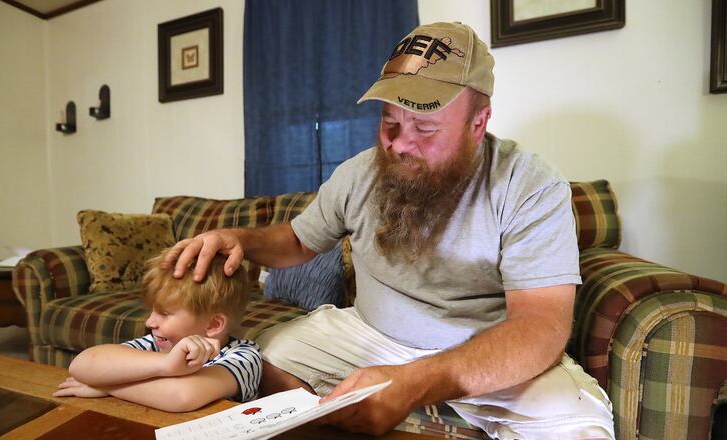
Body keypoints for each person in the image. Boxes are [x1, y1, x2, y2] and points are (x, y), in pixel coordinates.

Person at [165, 21, 614, 439]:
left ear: (478, 124)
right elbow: (300, 241)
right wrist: (242, 240)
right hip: (367, 333)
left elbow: (540, 324)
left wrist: (417, 381)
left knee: (580, 428)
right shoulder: (359, 173)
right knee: (252, 361)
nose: (399, 144)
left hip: (479, 350)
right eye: (390, 122)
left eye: (424, 126)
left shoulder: (529, 185)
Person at [53, 250, 261, 412]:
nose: (150, 321)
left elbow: (181, 396)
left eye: (164, 313)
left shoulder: (244, 357)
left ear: (213, 325)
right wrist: (166, 364)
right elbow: (82, 365)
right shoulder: (158, 344)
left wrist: (104, 386)